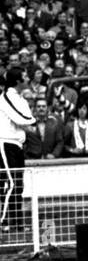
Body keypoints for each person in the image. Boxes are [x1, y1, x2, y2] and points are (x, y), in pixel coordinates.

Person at [0, 69, 34, 234]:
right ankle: (3, 222)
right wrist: (32, 122)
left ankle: (17, 224)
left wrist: (29, 122)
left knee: (18, 185)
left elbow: (25, 118)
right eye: (25, 75)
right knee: (12, 184)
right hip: (4, 143)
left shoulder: (21, 99)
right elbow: (22, 119)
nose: (28, 77)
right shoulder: (6, 96)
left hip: (17, 145)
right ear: (18, 80)